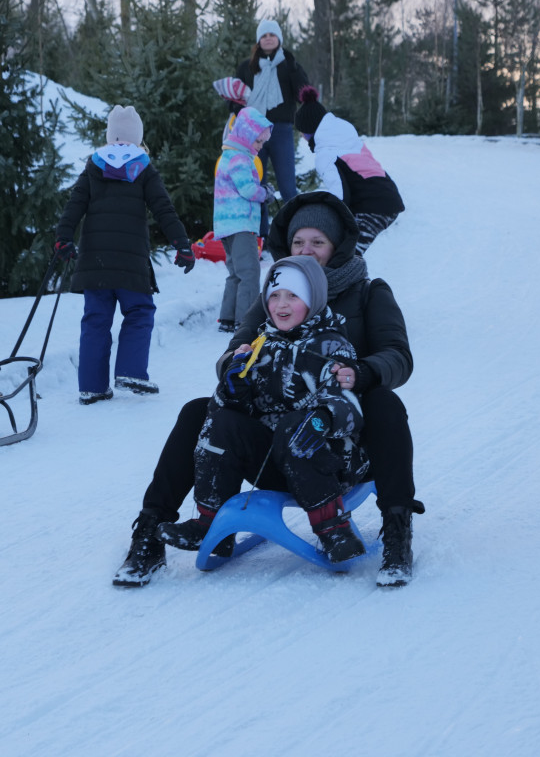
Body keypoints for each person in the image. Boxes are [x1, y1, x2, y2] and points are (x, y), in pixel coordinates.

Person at [113, 191, 422, 589]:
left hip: (338, 439)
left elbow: (399, 356)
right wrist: (234, 368)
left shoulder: (368, 292)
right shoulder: (275, 297)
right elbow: (233, 352)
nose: (306, 251)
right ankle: (151, 532)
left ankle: (397, 527)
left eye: (318, 242)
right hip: (274, 443)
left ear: (337, 246)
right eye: (298, 242)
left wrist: (361, 373)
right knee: (198, 411)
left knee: (385, 403)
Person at [157, 255, 369, 563]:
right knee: (222, 422)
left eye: (293, 296)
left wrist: (323, 418)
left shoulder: (331, 346)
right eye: (274, 296)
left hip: (328, 463)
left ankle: (334, 528)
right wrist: (233, 389)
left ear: (314, 298)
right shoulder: (260, 345)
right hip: (273, 464)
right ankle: (212, 526)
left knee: (296, 426)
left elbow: (350, 407)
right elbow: (228, 411)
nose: (281, 304)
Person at [55, 104, 194, 405]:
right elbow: (163, 208)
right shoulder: (143, 167)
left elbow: (74, 204)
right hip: (131, 262)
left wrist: (63, 238)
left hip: (95, 263)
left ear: (110, 137)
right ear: (137, 138)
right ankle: (130, 371)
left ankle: (91, 386)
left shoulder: (94, 166)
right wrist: (181, 244)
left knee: (96, 320)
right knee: (139, 312)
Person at [293, 86, 405, 255]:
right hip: (388, 197)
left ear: (310, 131)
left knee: (348, 255)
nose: (302, 137)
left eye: (303, 132)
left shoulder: (326, 154)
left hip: (373, 207)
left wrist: (330, 223)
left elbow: (340, 196)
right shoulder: (346, 140)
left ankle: (351, 280)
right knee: (348, 253)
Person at [232, 19, 309, 204]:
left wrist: (293, 68)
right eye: (264, 36)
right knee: (257, 185)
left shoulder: (288, 65)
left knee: (288, 186)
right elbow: (233, 96)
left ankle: (294, 230)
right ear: (258, 40)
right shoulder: (246, 67)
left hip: (280, 131)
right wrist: (238, 111)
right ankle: (261, 232)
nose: (268, 39)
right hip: (253, 133)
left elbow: (303, 94)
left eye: (272, 35)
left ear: (279, 39)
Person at [213, 106, 273, 335]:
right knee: (250, 272)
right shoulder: (239, 158)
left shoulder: (229, 156)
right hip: (240, 224)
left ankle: (228, 318)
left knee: (236, 273)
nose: (260, 147)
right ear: (247, 137)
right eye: (258, 142)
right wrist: (265, 192)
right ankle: (246, 321)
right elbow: (248, 190)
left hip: (227, 225)